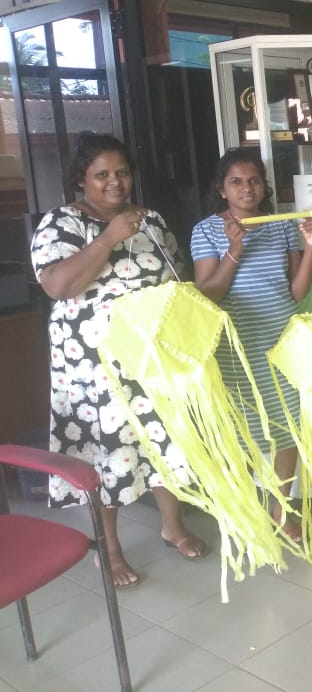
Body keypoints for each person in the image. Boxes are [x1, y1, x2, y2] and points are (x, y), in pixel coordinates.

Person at [30, 133, 206, 587]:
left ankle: (173, 525)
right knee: (105, 448)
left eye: (122, 172)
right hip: (94, 365)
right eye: (102, 174)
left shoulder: (151, 220)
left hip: (151, 358)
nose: (115, 183)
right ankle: (108, 549)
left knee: (164, 439)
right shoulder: (61, 223)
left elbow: (177, 275)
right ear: (81, 180)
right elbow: (58, 286)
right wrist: (108, 238)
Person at [191, 148, 312, 542]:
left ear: (264, 184)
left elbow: (296, 292)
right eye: (236, 182)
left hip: (281, 340)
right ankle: (247, 508)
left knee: (288, 426)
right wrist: (234, 250)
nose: (247, 189)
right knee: (242, 429)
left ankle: (281, 509)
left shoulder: (282, 224)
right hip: (236, 345)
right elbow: (207, 294)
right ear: (222, 188)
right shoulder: (207, 230)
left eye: (253, 181)